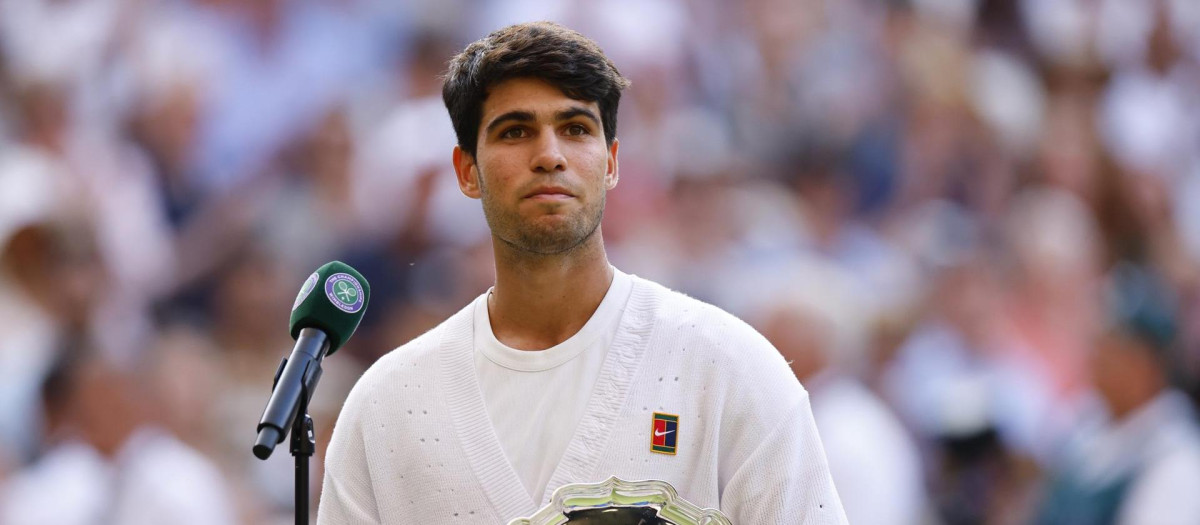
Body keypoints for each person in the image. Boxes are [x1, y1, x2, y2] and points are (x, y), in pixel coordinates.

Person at [317, 22, 847, 524]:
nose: (549, 155)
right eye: (515, 131)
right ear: (466, 171)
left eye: (575, 128)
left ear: (612, 161)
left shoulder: (730, 368)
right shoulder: (386, 405)